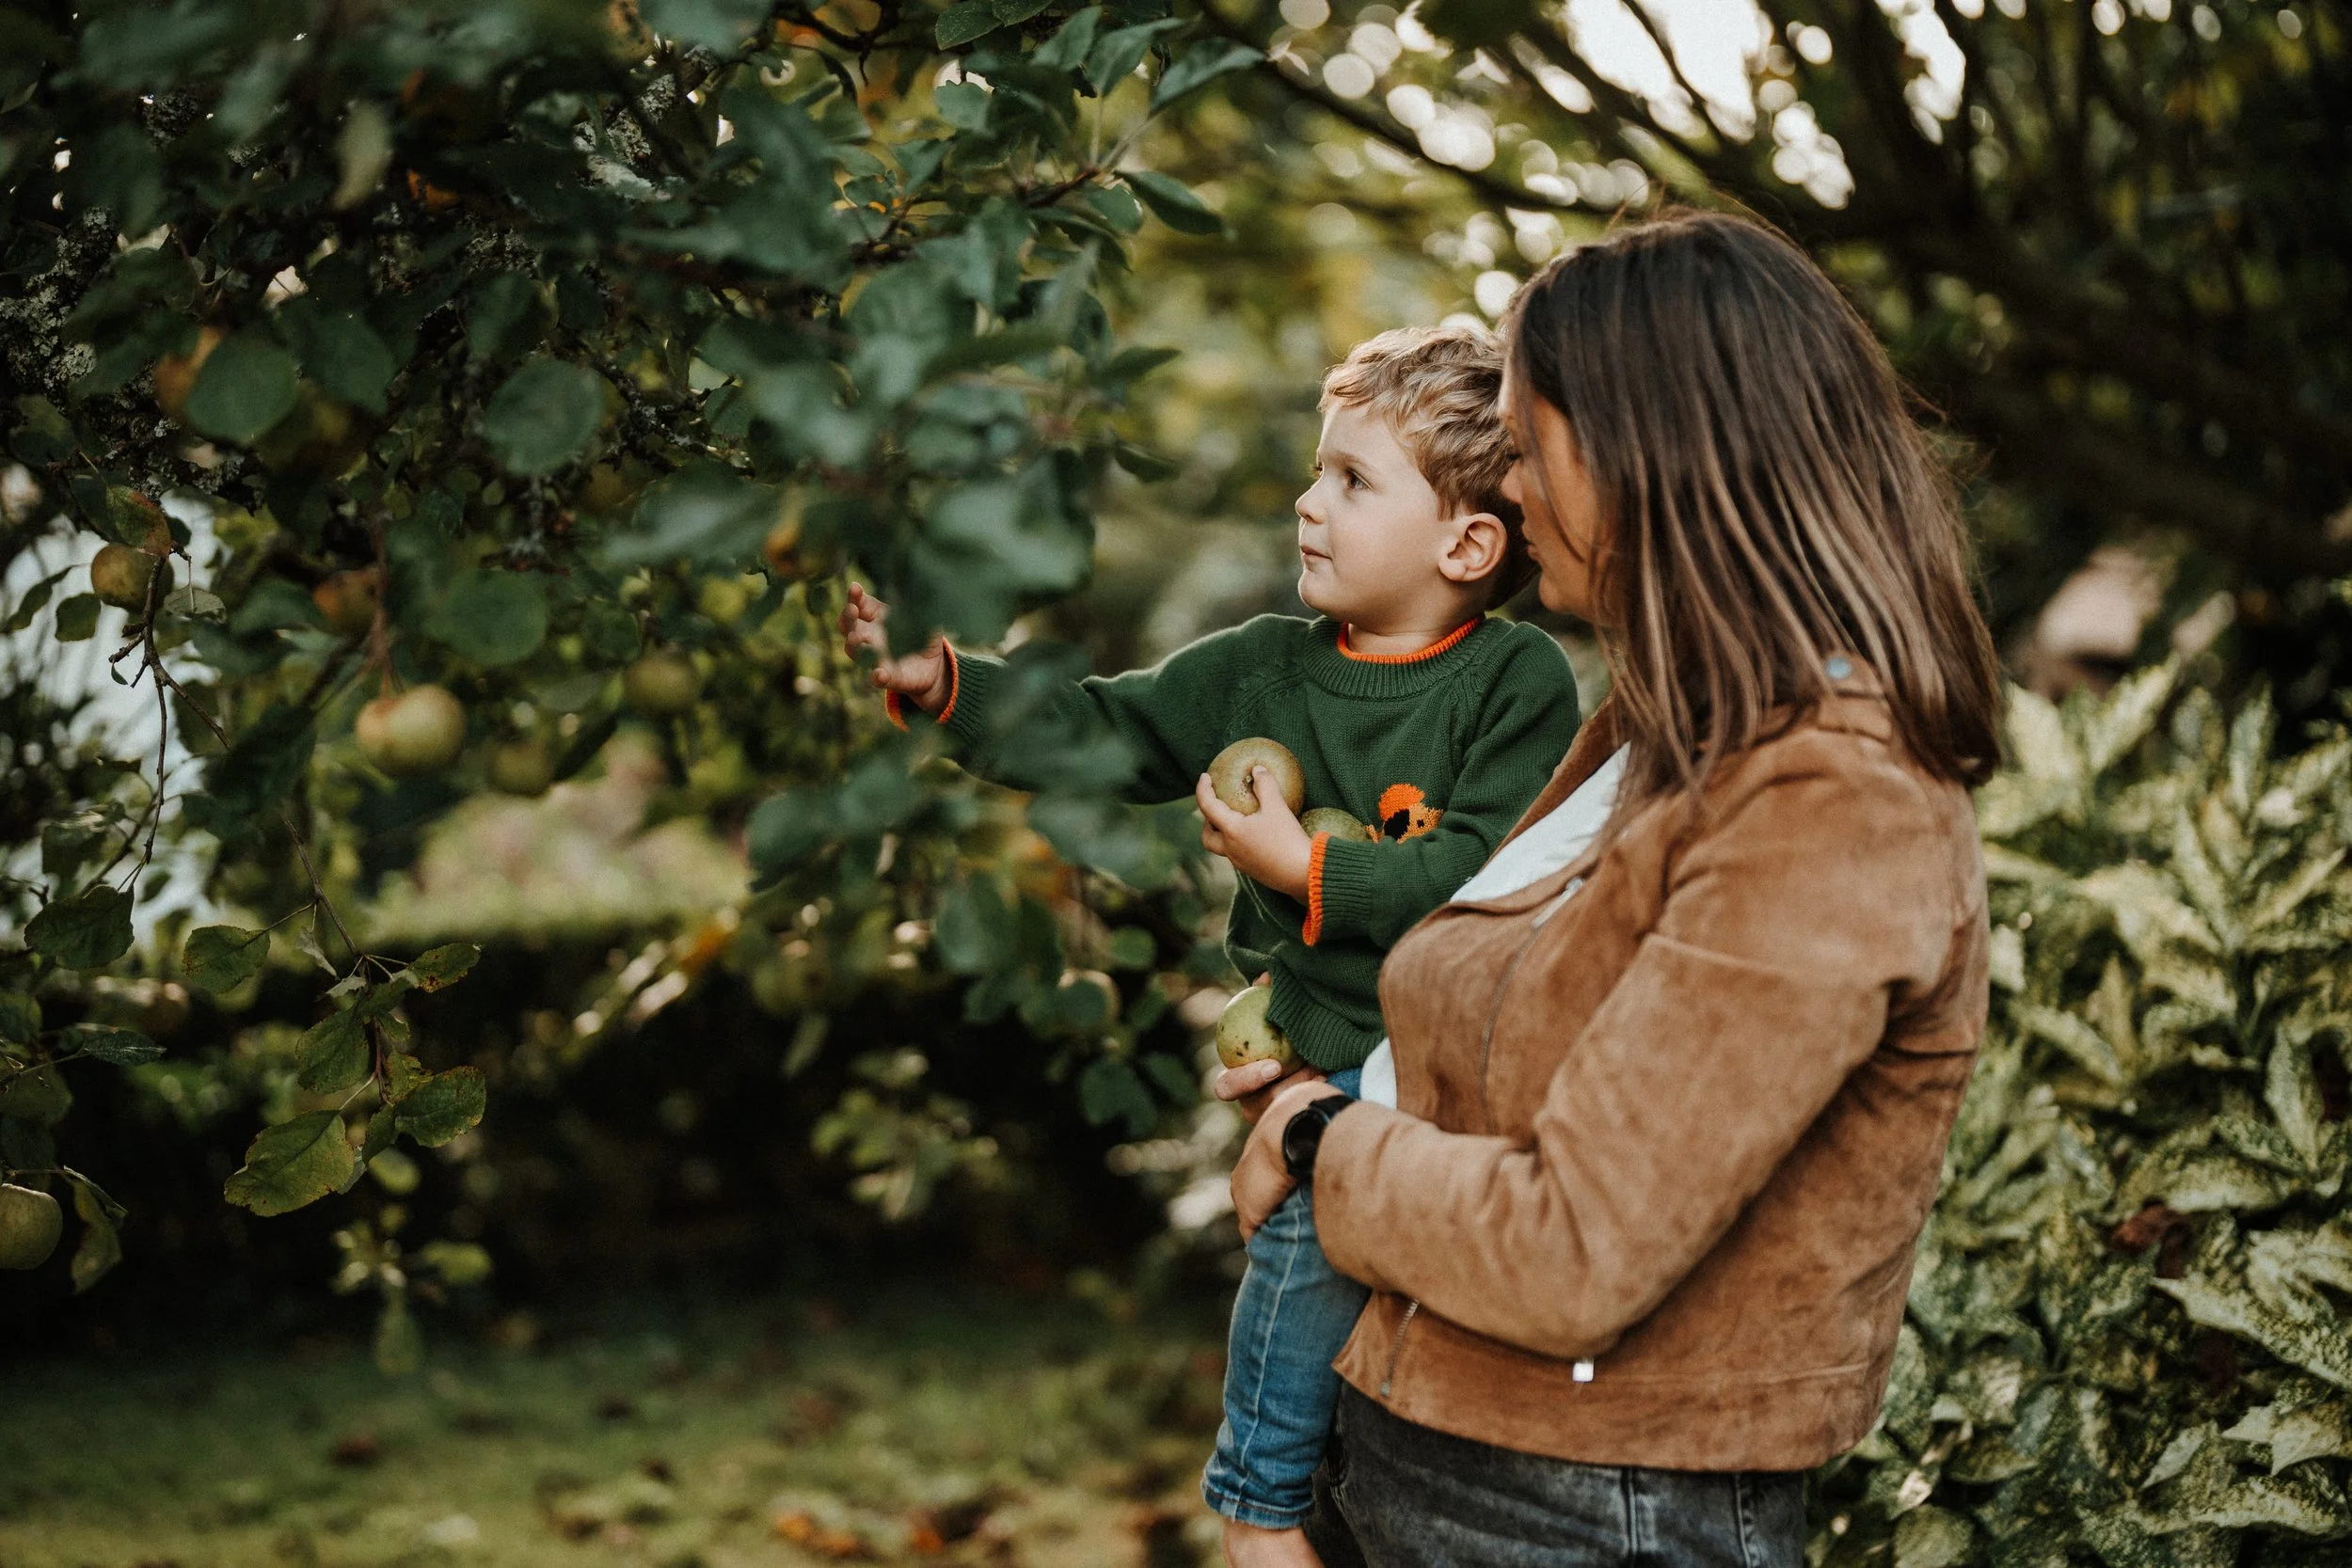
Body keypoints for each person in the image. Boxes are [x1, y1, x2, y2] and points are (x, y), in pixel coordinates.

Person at [1218, 211, 2001, 1568]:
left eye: (1527, 445)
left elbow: (1574, 1243)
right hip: (1431, 1466)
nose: (1509, 489)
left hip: (1587, 1515)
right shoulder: (1659, 736)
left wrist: (1312, 1138)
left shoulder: (1832, 798)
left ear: (1651, 453)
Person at [840, 325, 1582, 1568]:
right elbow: (1100, 730)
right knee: (1292, 1445)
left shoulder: (1516, 682)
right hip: (1317, 1078)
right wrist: (948, 679)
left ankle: (1260, 1514)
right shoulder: (1260, 672)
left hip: (1431, 1095)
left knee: (1272, 1465)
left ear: (1467, 543)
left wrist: (1309, 871)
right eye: (1314, 470)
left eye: (1353, 480)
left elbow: (1485, 875)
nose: (1307, 502)